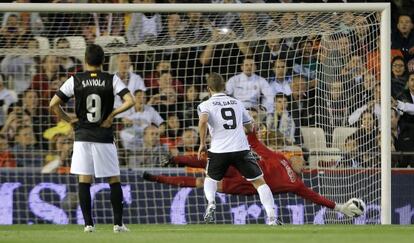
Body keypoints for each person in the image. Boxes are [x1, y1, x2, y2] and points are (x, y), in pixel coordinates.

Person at [143, 130, 363, 220]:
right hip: (243, 168)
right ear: (295, 156)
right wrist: (248, 126)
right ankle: (174, 159)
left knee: (203, 182)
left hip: (248, 187)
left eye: (304, 162)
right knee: (210, 161)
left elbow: (316, 198)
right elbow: (256, 142)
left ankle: (157, 178)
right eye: (302, 159)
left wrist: (340, 207)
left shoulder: (297, 185)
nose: (303, 164)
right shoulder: (280, 157)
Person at [49, 44, 135, 233]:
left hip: (82, 135)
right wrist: (112, 114)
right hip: (104, 136)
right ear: (103, 61)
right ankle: (118, 224)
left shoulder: (75, 79)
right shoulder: (111, 79)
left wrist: (69, 120)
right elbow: (131, 101)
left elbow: (53, 104)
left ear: (85, 60)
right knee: (113, 179)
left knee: (84, 180)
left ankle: (88, 224)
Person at [197, 72, 278, 225]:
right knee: (259, 182)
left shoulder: (205, 105)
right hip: (241, 148)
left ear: (209, 89)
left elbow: (203, 122)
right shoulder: (237, 103)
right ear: (224, 87)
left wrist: (202, 143)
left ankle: (212, 203)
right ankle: (272, 217)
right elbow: (250, 126)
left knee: (211, 178)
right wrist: (248, 129)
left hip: (219, 150)